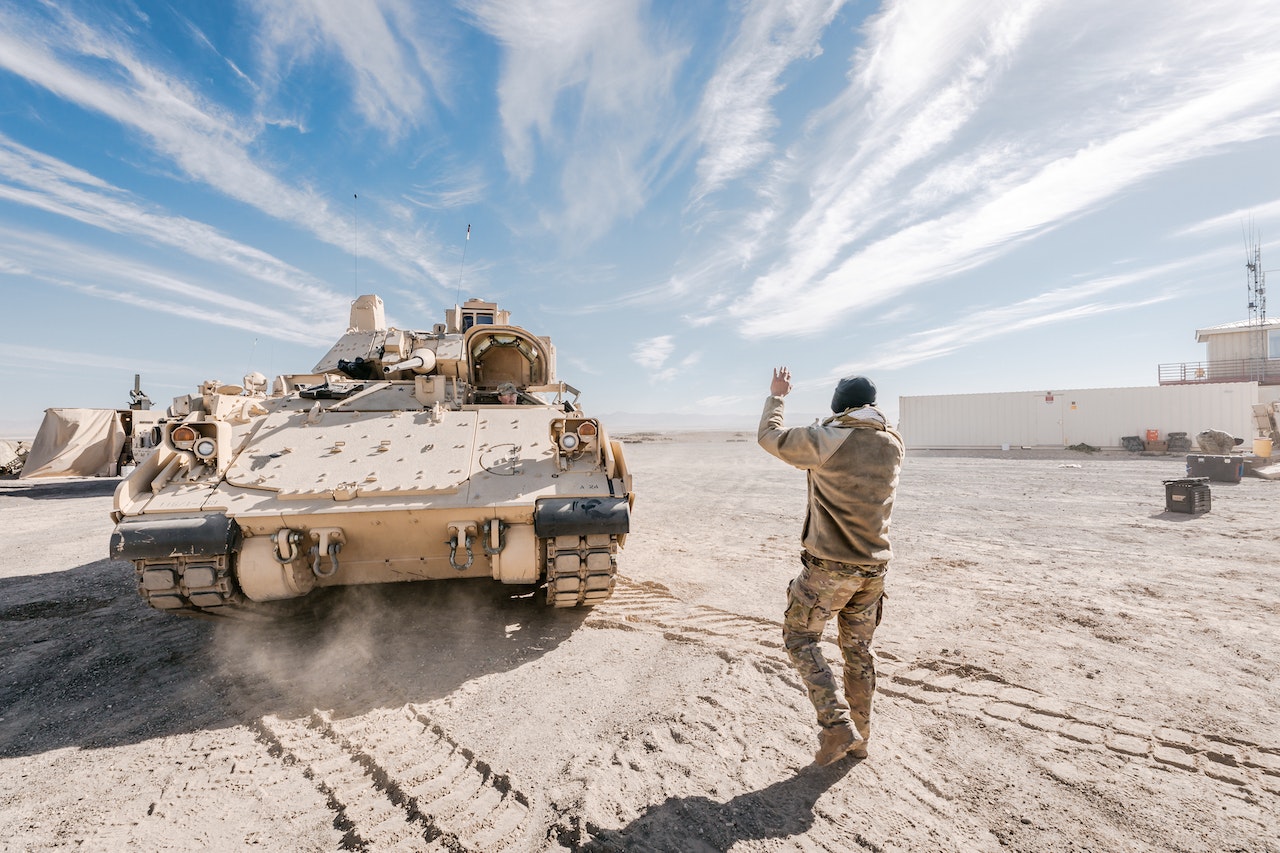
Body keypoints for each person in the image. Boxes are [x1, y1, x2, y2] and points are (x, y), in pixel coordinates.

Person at [758, 367, 905, 766]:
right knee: (858, 653)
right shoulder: (893, 442)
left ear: (839, 407)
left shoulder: (828, 439)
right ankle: (861, 737)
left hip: (830, 569)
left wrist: (778, 396)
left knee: (800, 639)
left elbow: (769, 437)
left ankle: (837, 725)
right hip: (874, 571)